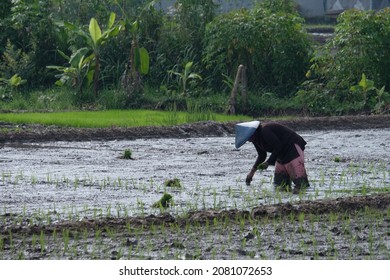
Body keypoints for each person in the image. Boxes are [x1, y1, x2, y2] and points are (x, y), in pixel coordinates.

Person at [235, 120, 309, 193]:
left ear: (254, 132)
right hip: (280, 154)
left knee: (301, 183)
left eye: (250, 138)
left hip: (292, 149)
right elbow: (262, 156)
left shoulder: (265, 131)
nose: (250, 140)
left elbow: (278, 146)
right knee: (279, 184)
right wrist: (251, 173)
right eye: (248, 139)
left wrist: (268, 162)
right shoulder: (256, 139)